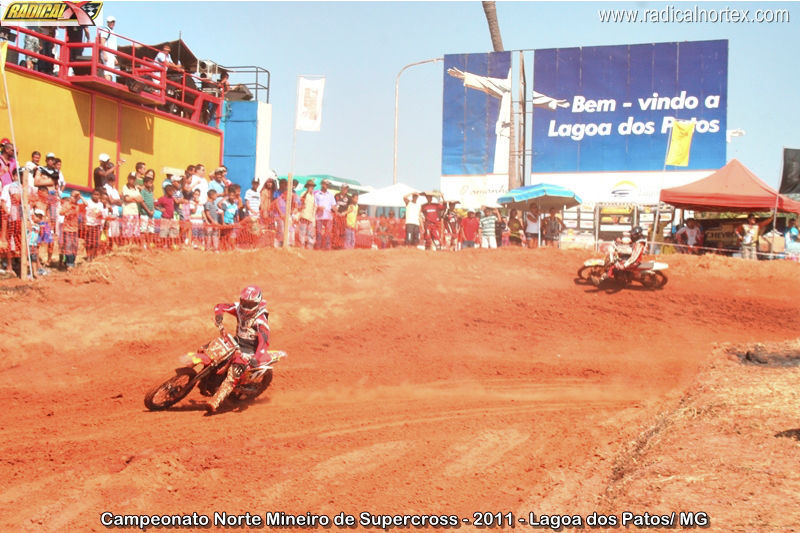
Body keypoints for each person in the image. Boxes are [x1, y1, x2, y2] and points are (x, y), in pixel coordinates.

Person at [205, 286, 271, 413]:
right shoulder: (238, 308)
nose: (246, 306)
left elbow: (264, 343)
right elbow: (220, 306)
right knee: (210, 349)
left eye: (249, 304)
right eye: (244, 302)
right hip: (236, 341)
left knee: (233, 373)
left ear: (257, 303)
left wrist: (256, 359)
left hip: (250, 351)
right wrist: (219, 316)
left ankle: (215, 401)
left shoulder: (261, 321)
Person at [314, 179, 336, 250]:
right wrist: (318, 207)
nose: (326, 186)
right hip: (319, 216)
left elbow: (333, 205)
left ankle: (327, 247)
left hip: (328, 216)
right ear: (322, 184)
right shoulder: (316, 194)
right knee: (319, 232)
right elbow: (314, 205)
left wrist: (336, 211)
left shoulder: (331, 195)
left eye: (327, 184)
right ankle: (318, 247)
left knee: (328, 233)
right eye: (325, 184)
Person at [97, 16, 118, 81]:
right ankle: (108, 83)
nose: (112, 23)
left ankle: (110, 82)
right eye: (110, 22)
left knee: (110, 72)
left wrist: (114, 57)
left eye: (113, 22)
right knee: (108, 71)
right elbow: (102, 41)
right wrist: (104, 53)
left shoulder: (112, 31)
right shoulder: (106, 30)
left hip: (111, 54)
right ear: (107, 22)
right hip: (107, 52)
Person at [297, 179, 316, 249]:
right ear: (307, 187)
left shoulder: (313, 196)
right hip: (304, 215)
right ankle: (301, 245)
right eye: (310, 186)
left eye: (312, 186)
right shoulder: (304, 194)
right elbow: (299, 202)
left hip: (310, 217)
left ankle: (309, 246)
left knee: (310, 233)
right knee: (302, 231)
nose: (311, 187)